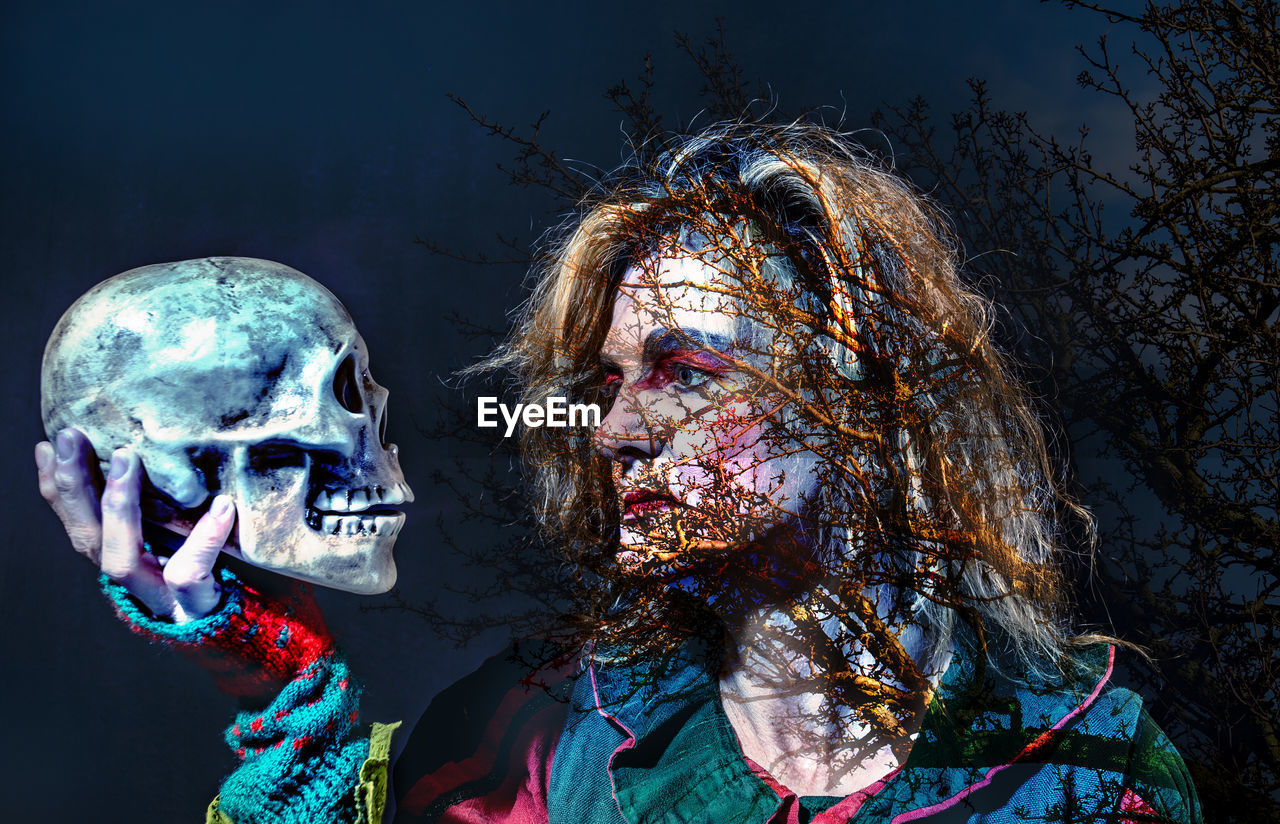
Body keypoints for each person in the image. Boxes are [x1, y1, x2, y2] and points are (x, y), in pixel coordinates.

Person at [36, 122, 1202, 823]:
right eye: (608, 378)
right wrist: (270, 673)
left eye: (684, 369)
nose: (613, 430)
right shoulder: (536, 735)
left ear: (864, 396)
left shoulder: (1081, 773)